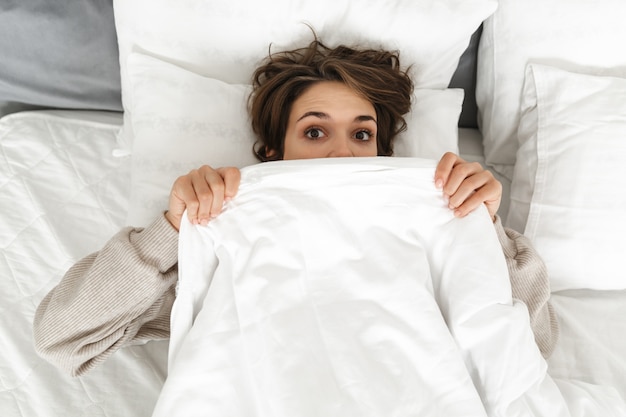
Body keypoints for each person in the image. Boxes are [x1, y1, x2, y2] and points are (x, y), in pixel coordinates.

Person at [33, 38, 559, 377]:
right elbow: (62, 335)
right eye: (314, 130)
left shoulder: (432, 219)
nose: (340, 150)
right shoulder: (225, 225)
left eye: (361, 133)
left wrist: (485, 231)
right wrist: (171, 229)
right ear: (273, 153)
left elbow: (530, 353)